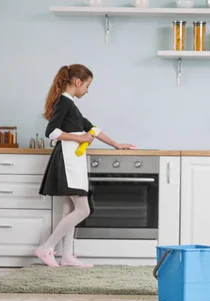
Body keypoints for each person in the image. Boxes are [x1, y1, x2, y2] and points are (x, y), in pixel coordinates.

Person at [35, 64, 136, 267]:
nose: (88, 90)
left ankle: (66, 256)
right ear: (77, 82)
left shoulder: (70, 105)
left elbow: (92, 129)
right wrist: (79, 138)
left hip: (73, 160)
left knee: (69, 209)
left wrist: (117, 145)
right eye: (87, 86)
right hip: (67, 161)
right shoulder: (64, 102)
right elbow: (51, 132)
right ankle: (46, 248)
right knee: (83, 210)